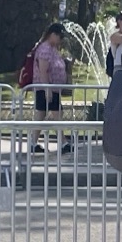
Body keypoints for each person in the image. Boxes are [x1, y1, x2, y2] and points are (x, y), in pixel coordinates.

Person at [31, 23, 71, 151]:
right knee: (56, 114)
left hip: (51, 88)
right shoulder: (45, 49)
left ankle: (33, 142)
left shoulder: (52, 49)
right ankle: (63, 142)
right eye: (60, 36)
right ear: (52, 34)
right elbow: (43, 71)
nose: (61, 39)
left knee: (42, 114)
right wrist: (47, 89)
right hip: (47, 88)